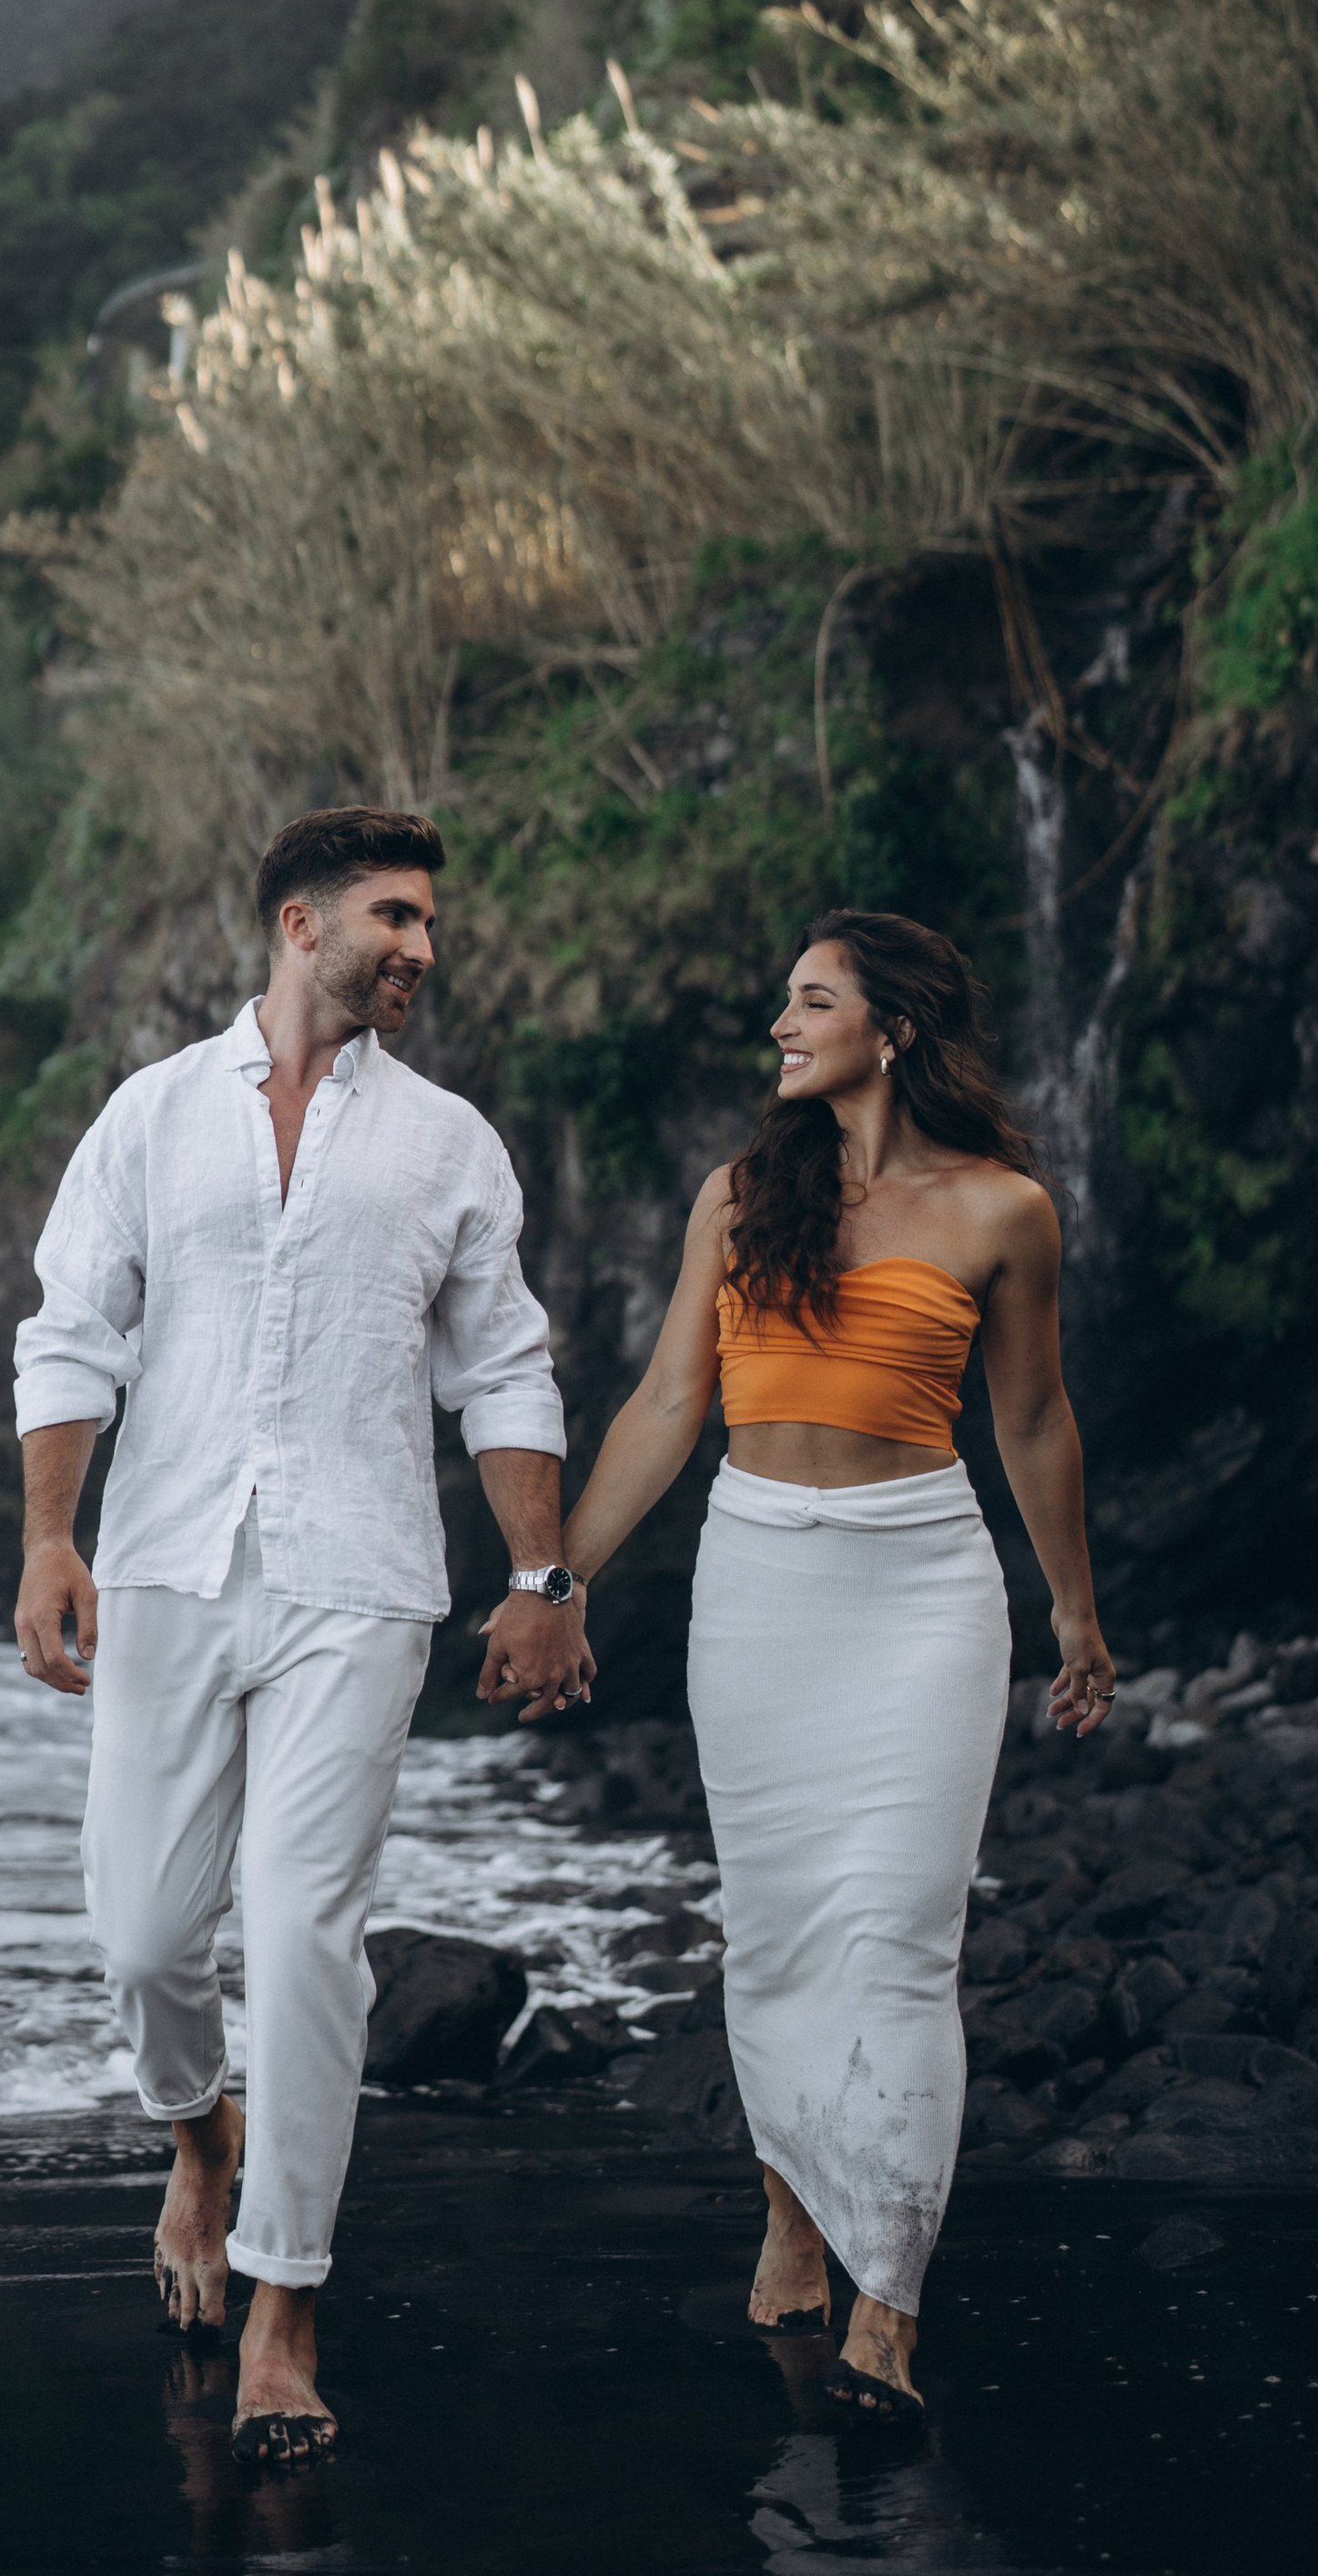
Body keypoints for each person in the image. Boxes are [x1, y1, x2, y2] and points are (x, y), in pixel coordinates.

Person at [11, 806, 591, 2467]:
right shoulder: (149, 1118)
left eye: (427, 924)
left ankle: (285, 2301)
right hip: (170, 1566)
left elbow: (505, 1371)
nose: (422, 948)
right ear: (298, 923)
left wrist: (539, 1579)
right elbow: (74, 1333)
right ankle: (200, 2138)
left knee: (303, 1936)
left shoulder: (452, 1148)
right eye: (396, 917)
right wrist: (54, 1536)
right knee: (140, 1932)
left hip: (360, 1581)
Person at [554, 908, 1118, 2421]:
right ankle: (796, 2212)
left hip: (923, 1585)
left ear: (897, 1027)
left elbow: (1035, 1422)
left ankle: (892, 2303)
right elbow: (669, 1406)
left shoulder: (1005, 1210)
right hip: (756, 1583)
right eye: (783, 1004)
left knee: (900, 1936)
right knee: (787, 1928)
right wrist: (558, 1578)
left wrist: (1073, 1610)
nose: (782, 1028)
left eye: (812, 1002)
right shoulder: (739, 1197)